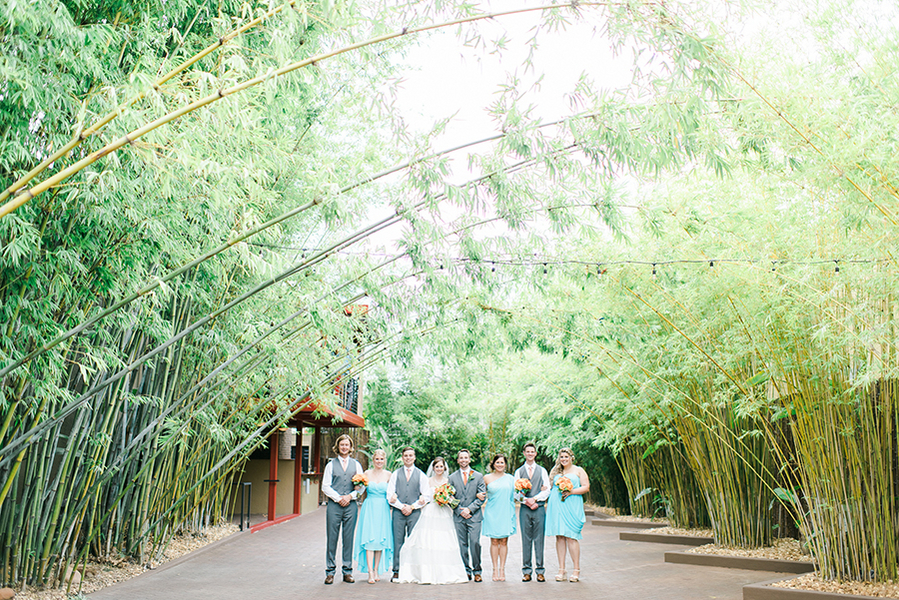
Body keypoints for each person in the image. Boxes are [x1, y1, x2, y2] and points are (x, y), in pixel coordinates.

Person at [397, 457, 469, 584]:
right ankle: (426, 573)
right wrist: (421, 501)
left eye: (441, 467)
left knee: (444, 542)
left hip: (444, 512)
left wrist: (446, 499)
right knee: (427, 541)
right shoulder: (428, 480)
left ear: (444, 468)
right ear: (433, 468)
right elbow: (424, 496)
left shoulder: (448, 481)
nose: (439, 469)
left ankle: (444, 573)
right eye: (437, 467)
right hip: (430, 511)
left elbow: (452, 497)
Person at [321, 433, 364, 584]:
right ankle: (330, 571)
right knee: (332, 538)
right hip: (334, 506)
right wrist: (339, 498)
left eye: (347, 445)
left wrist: (350, 496)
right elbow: (325, 486)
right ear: (337, 447)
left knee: (348, 538)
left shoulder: (357, 465)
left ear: (351, 447)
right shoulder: (330, 465)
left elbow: (361, 486)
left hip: (351, 506)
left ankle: (347, 571)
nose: (344, 447)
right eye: (342, 445)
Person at [544, 447, 590, 583]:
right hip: (557, 505)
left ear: (571, 457)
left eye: (566, 457)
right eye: (561, 457)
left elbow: (586, 487)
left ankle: (576, 569)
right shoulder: (556, 471)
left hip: (572, 504)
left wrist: (571, 491)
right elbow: (549, 487)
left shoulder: (578, 470)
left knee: (571, 537)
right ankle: (561, 569)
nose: (564, 459)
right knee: (559, 537)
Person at [386, 446, 429, 582]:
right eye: (406, 456)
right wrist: (401, 506)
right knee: (398, 542)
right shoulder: (395, 474)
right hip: (398, 513)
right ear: (402, 457)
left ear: (414, 457)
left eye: (411, 455)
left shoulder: (421, 475)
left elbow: (426, 495)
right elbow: (389, 494)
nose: (408, 458)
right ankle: (397, 571)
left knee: (414, 542)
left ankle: (413, 571)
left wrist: (412, 506)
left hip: (414, 513)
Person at [354, 449, 393, 584]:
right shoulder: (366, 473)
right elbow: (360, 491)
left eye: (381, 459)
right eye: (377, 459)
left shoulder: (389, 475)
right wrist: (357, 487)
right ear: (373, 460)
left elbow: (392, 492)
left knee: (380, 540)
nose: (379, 462)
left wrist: (394, 497)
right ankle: (370, 572)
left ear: (384, 461)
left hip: (383, 508)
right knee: (369, 539)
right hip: (369, 507)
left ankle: (376, 569)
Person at [447, 449, 486, 582]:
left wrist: (469, 510)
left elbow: (482, 497)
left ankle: (477, 570)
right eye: (461, 458)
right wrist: (459, 510)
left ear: (469, 460)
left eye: (466, 458)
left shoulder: (479, 476)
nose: (463, 460)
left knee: (475, 542)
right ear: (458, 460)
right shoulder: (451, 478)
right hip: (458, 517)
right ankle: (466, 570)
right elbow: (448, 497)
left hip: (474, 517)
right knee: (461, 544)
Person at [514, 442, 550, 582]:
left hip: (539, 508)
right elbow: (516, 492)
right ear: (524, 453)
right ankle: (526, 571)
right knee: (526, 539)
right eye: (527, 451)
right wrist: (526, 501)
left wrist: (534, 499)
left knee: (539, 539)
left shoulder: (542, 471)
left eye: (532, 452)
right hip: (524, 509)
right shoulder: (519, 471)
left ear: (535, 454)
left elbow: (547, 490)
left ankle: (540, 571)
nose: (530, 454)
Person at [481, 454, 516, 581]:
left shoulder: (511, 479)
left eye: (502, 462)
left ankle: (502, 569)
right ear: (493, 464)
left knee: (504, 541)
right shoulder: (487, 478)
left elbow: (517, 495)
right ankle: (494, 569)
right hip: (492, 512)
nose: (500, 465)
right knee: (494, 541)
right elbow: (481, 494)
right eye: (497, 462)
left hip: (506, 511)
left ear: (505, 464)